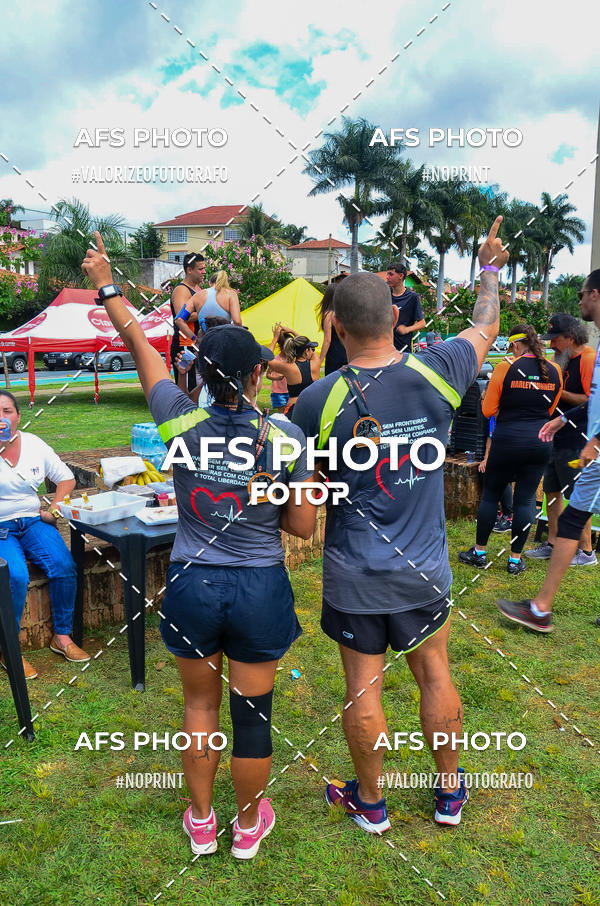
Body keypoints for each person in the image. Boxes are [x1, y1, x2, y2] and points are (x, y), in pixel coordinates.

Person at [82, 232, 316, 860]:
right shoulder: (287, 435)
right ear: (259, 372)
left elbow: (138, 343)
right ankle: (246, 824)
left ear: (197, 371)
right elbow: (301, 529)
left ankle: (202, 820)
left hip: (191, 583)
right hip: (261, 585)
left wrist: (107, 283)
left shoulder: (178, 417)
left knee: (197, 705)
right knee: (252, 715)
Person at [292, 217, 509, 832]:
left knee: (364, 687)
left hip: (354, 571)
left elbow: (296, 487)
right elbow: (486, 323)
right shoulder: (440, 369)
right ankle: (448, 795)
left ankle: (373, 803)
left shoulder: (319, 400)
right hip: (423, 570)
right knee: (434, 672)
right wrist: (487, 266)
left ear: (336, 326)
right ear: (394, 316)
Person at [497, 269, 600, 631]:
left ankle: (580, 558)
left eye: (583, 293)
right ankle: (542, 601)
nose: (580, 299)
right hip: (576, 439)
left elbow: (589, 397)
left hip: (587, 443)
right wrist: (560, 418)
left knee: (576, 506)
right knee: (561, 502)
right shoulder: (579, 356)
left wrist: (592, 436)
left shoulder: (588, 356)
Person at [0, 390, 90, 678]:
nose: (0, 418)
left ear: (17, 416)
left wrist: (54, 508)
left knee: (64, 565)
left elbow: (66, 477)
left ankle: (62, 637)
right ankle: (9, 648)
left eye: (6, 411)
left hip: (33, 521)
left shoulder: (34, 444)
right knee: (14, 576)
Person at [459, 325, 562, 575]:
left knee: (491, 495)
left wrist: (487, 398)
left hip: (508, 439)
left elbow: (487, 411)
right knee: (526, 499)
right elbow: (550, 411)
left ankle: (479, 552)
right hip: (540, 440)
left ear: (516, 345)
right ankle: (515, 560)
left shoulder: (506, 368)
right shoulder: (555, 370)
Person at [525, 313, 596, 566]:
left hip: (579, 438)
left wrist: (556, 391)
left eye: (556, 339)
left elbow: (591, 400)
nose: (552, 345)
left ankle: (586, 552)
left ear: (571, 337)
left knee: (578, 495)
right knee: (552, 492)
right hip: (555, 436)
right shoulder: (562, 360)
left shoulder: (589, 359)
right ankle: (553, 542)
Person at [170, 253, 206, 390]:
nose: (204, 272)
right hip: (184, 346)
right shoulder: (181, 290)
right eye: (200, 269)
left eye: (204, 268)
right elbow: (184, 317)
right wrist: (207, 311)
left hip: (197, 344)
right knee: (187, 386)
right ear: (189, 270)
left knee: (199, 385)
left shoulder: (198, 290)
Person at [266, 335, 321, 418]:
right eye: (311, 349)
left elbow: (269, 359)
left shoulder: (288, 368)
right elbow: (309, 349)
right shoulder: (316, 363)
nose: (312, 350)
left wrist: (275, 338)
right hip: (313, 406)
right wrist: (293, 332)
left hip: (294, 408)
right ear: (306, 351)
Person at [177, 269, 242, 332]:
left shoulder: (198, 296)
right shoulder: (231, 294)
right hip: (224, 339)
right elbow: (237, 321)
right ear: (226, 283)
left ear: (210, 283)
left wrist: (193, 338)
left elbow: (179, 319)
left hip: (205, 340)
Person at [479, 415, 514, 533]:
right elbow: (490, 437)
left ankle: (509, 517)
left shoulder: (511, 414)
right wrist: (486, 458)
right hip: (499, 452)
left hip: (516, 450)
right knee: (484, 470)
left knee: (501, 474)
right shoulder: (493, 417)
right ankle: (492, 513)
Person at [385, 262, 426, 353]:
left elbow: (422, 323)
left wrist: (407, 329)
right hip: (385, 348)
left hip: (403, 351)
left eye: (391, 274)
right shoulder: (385, 294)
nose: (387, 277)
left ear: (401, 276)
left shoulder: (412, 297)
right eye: (387, 274)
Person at [318, 282, 348, 375]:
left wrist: (319, 361)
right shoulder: (345, 312)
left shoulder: (329, 314)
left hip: (334, 355)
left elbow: (327, 340)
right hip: (347, 353)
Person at [267, 323, 296, 411]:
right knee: (283, 414)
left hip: (291, 392)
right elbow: (268, 374)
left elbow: (304, 344)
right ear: (282, 347)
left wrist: (291, 331)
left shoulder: (293, 359)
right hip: (279, 393)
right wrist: (276, 378)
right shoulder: (276, 359)